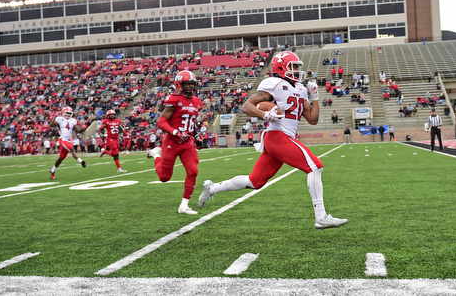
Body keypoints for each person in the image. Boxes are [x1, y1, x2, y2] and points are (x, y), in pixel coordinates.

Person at [197, 51, 347, 230]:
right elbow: (247, 106)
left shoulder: (299, 88)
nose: (298, 70)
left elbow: (312, 119)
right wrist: (265, 114)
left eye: (298, 66)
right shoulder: (273, 83)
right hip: (277, 135)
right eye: (294, 66)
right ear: (281, 67)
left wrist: (315, 97)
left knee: (255, 181)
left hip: (283, 139)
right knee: (315, 166)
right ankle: (321, 217)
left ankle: (212, 188)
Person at [146, 70, 204, 215]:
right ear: (179, 84)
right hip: (172, 142)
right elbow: (161, 122)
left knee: (193, 171)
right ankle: (155, 154)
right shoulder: (174, 99)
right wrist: (175, 132)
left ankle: (184, 206)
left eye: (192, 84)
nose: (191, 87)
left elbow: (191, 123)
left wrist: (196, 136)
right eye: (187, 84)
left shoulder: (197, 102)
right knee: (164, 177)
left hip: (187, 142)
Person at [48, 106, 87, 179]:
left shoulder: (73, 121)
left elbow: (78, 130)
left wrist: (82, 128)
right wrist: (55, 116)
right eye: (67, 113)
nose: (68, 115)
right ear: (63, 113)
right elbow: (51, 125)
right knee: (72, 149)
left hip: (69, 140)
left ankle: (52, 171)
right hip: (62, 139)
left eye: (69, 113)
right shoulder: (60, 119)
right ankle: (81, 161)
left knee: (61, 158)